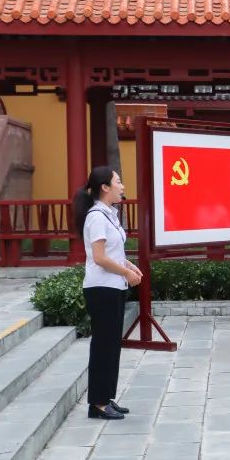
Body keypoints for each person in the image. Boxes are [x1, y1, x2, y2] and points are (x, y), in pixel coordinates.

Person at [73, 166, 141, 421]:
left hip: (113, 287)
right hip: (101, 288)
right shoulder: (97, 217)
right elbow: (99, 258)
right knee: (103, 345)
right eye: (118, 182)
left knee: (111, 345)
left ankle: (106, 397)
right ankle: (98, 404)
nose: (122, 187)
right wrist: (126, 273)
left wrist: (129, 266)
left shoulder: (109, 214)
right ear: (104, 187)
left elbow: (113, 252)